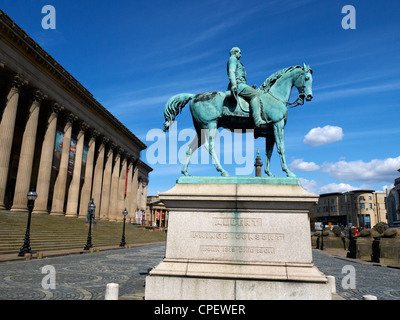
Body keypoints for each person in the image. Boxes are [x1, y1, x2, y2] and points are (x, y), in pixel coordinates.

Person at [227, 47, 266, 127]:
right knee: (255, 94)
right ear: (235, 52)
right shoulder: (232, 59)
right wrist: (234, 84)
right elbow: (232, 71)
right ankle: (258, 121)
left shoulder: (237, 61)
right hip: (238, 85)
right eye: (239, 53)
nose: (241, 55)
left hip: (242, 84)